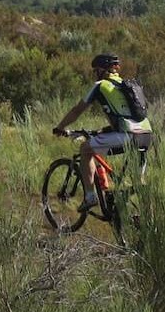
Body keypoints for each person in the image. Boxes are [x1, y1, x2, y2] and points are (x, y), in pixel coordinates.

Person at [53, 53, 153, 212]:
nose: (95, 74)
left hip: (127, 136)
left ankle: (90, 197)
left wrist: (60, 127)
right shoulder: (127, 86)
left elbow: (77, 110)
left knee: (86, 149)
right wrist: (99, 131)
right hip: (146, 136)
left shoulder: (100, 85)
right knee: (138, 183)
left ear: (103, 70)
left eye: (96, 70)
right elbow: (125, 119)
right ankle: (136, 213)